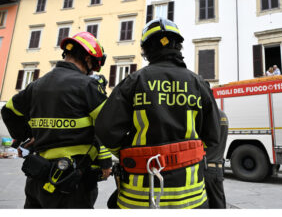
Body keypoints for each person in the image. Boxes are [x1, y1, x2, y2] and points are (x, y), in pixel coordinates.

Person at [95, 18, 221, 209]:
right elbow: (213, 136)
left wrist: (128, 152)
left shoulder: (133, 82)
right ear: (178, 46)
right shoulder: (198, 83)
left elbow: (105, 130)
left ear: (146, 50)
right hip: (191, 197)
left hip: (138, 198)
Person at [1, 31, 112, 209]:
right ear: (87, 59)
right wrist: (106, 163)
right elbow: (107, 125)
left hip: (37, 178)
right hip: (72, 183)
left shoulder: (37, 84)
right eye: (93, 64)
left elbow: (8, 111)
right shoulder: (87, 85)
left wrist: (28, 137)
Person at [204, 109, 228, 209]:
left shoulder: (207, 115)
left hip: (206, 169)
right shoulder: (223, 115)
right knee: (219, 204)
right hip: (218, 170)